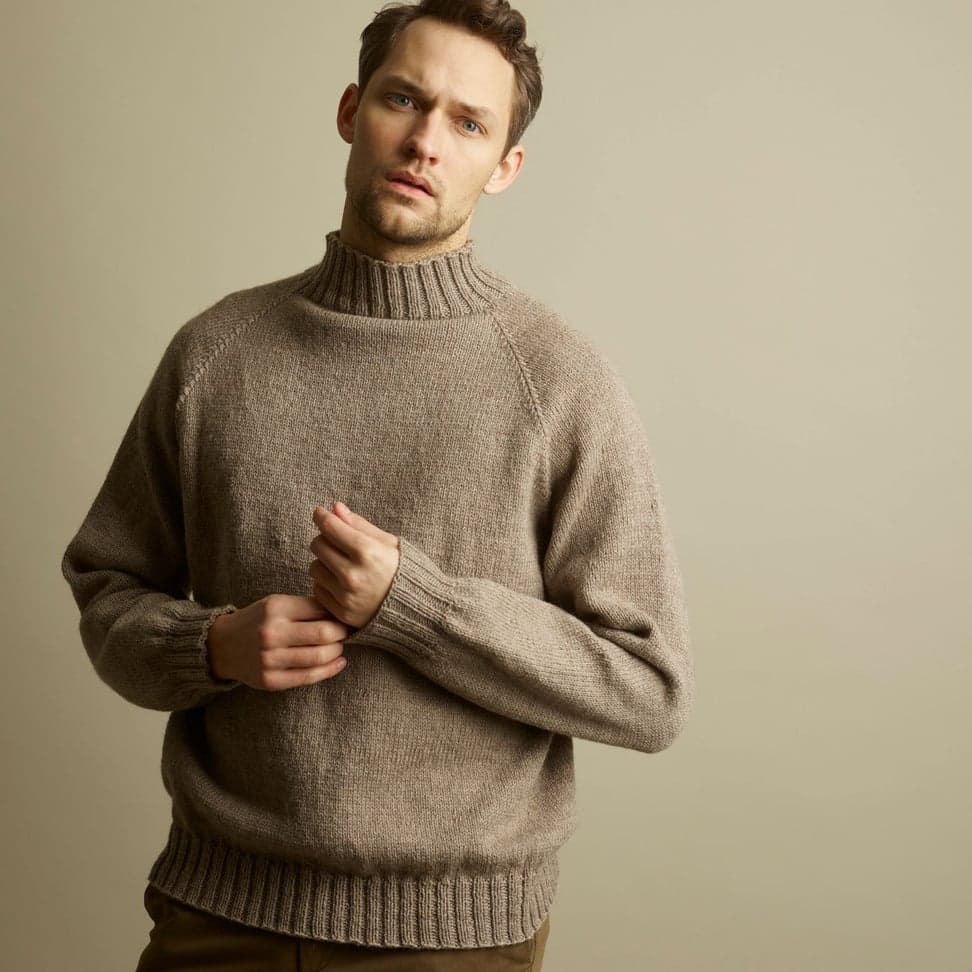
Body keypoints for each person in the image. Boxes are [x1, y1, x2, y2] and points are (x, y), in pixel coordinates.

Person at [60, 0, 695, 968]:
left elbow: (648, 689)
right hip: (216, 917)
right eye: (405, 99)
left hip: (454, 942)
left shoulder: (558, 381)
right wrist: (212, 646)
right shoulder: (215, 353)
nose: (427, 141)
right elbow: (107, 591)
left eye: (469, 123)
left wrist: (416, 607)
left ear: (505, 166)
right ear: (352, 111)